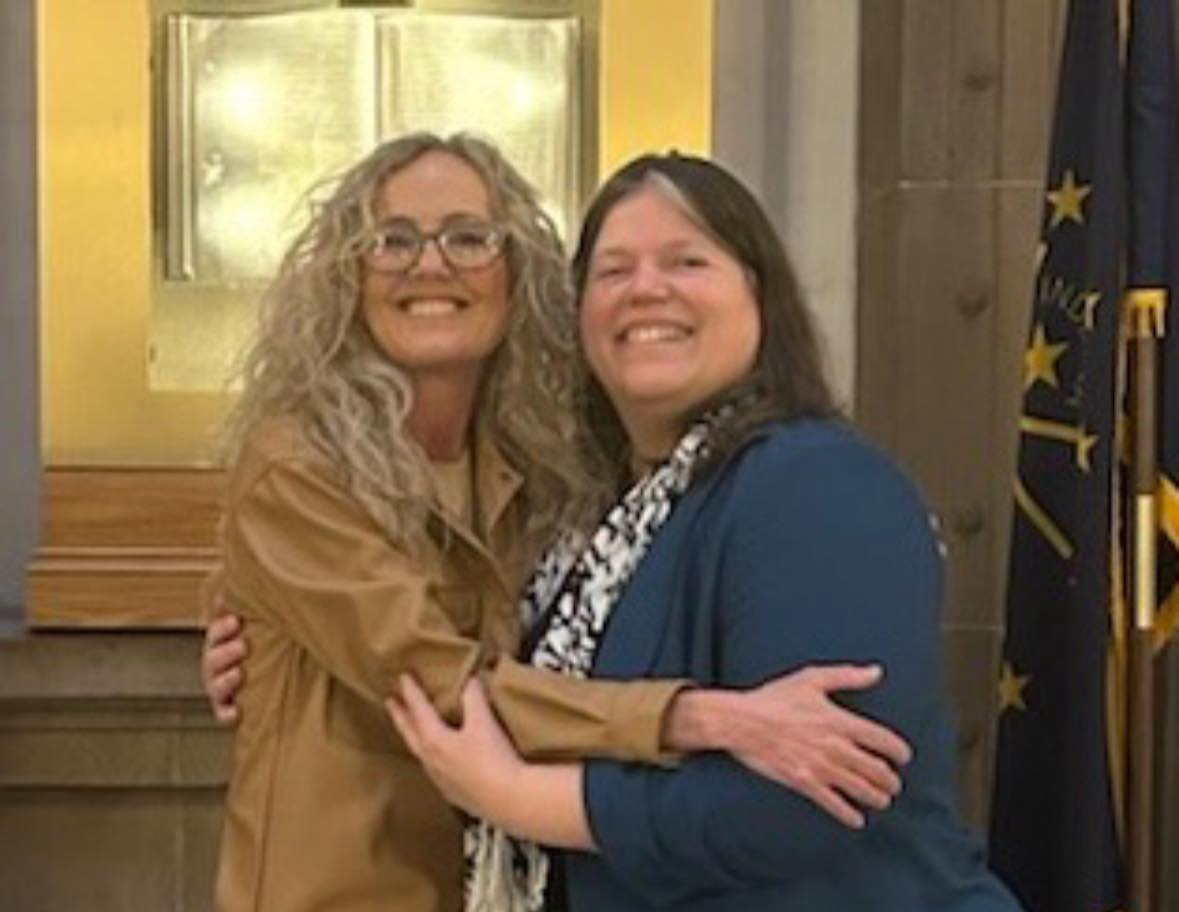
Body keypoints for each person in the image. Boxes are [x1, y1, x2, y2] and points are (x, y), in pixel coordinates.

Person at [203, 133, 914, 912]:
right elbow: (441, 680)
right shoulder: (297, 461)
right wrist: (692, 716)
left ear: (519, 277)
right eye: (391, 240)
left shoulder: (550, 469)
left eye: (469, 238)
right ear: (347, 275)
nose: (430, 264)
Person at [386, 152, 1025, 911]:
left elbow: (805, 805)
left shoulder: (815, 482)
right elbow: (475, 678)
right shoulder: (582, 522)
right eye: (613, 271)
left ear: (761, 299)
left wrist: (518, 795)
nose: (646, 289)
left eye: (686, 261)